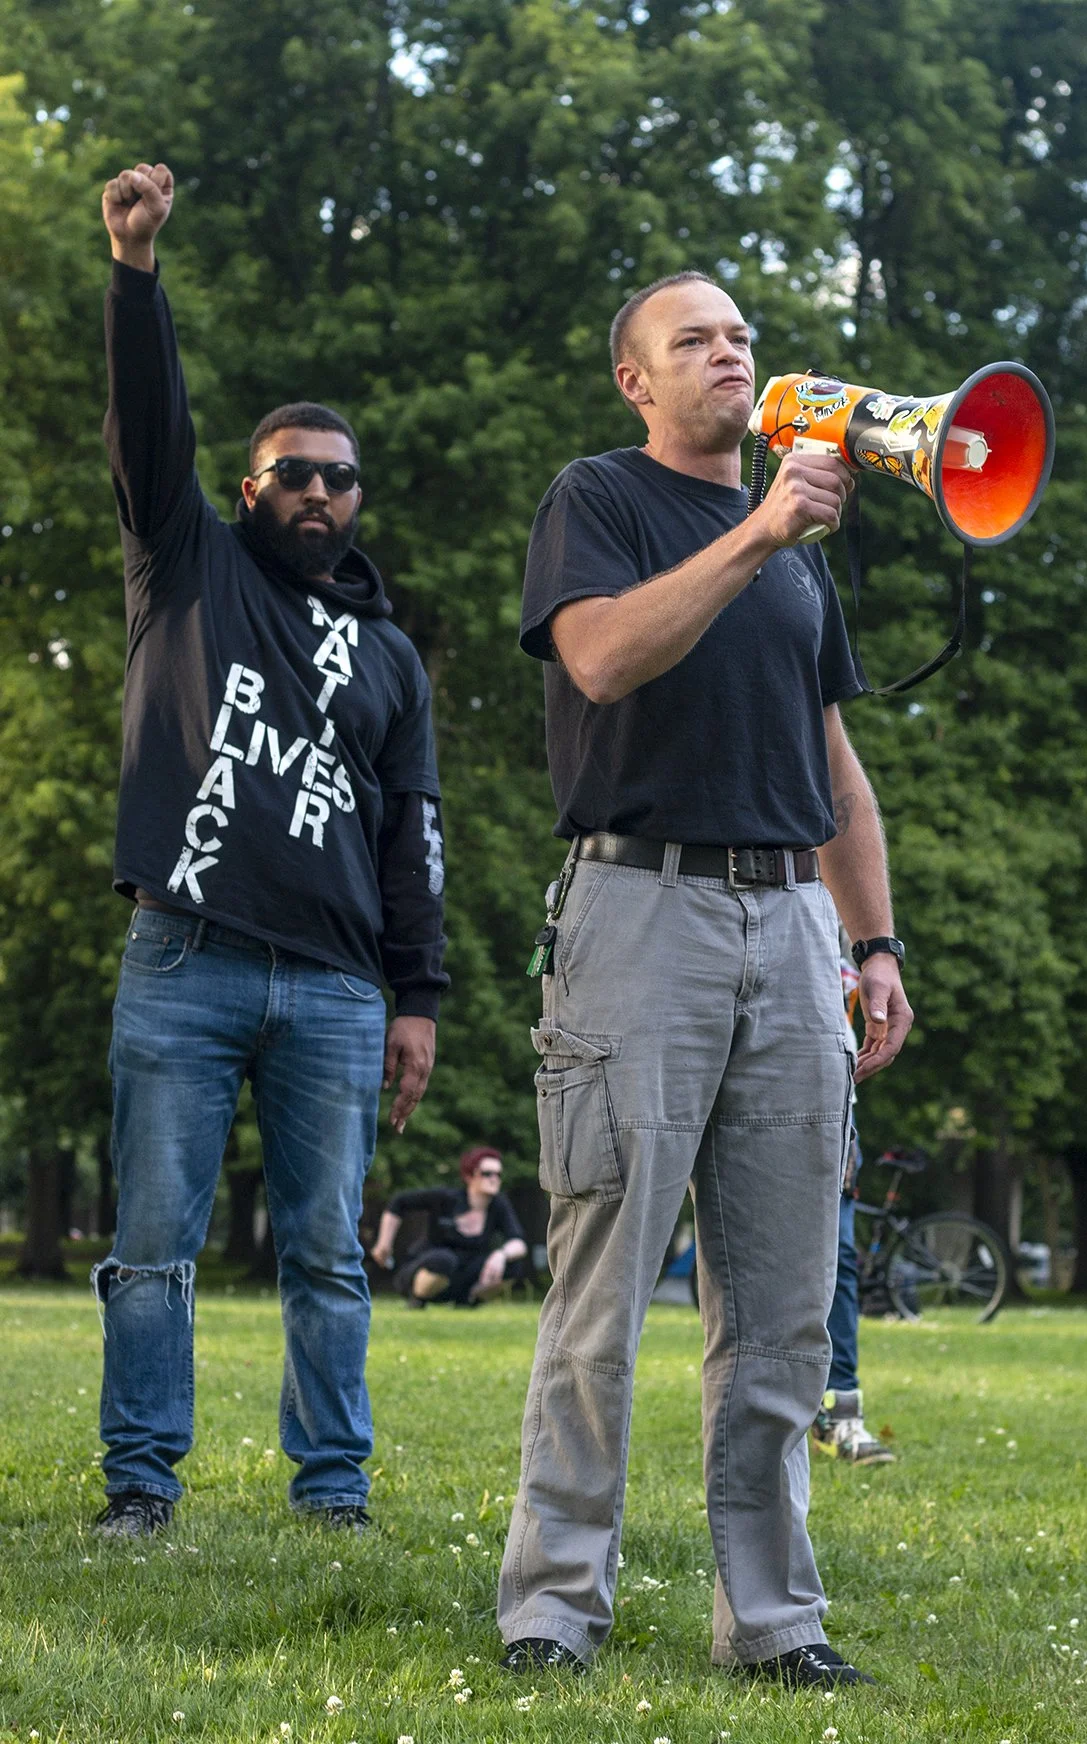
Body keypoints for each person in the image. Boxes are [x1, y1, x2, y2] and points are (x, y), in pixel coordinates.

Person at [496, 271, 913, 1688]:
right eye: (697, 341)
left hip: (792, 931)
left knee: (787, 1305)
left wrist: (874, 942)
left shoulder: (803, 543)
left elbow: (835, 764)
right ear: (639, 382)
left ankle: (774, 1625)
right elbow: (604, 658)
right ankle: (554, 1607)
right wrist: (758, 531)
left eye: (741, 335)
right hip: (638, 908)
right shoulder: (599, 500)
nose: (730, 353)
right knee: (604, 1285)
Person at [91, 163, 447, 1539]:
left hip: (340, 988)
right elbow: (146, 430)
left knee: (326, 1258)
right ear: (248, 485)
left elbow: (412, 838)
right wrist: (136, 273)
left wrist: (417, 999)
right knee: (152, 1250)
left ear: (359, 500)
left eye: (338, 478)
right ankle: (142, 1485)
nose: (316, 491)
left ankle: (334, 1490)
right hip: (185, 956)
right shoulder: (188, 561)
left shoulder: (393, 659)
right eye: (291, 472)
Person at [812, 952, 896, 1465]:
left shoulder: (855, 938)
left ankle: (841, 1414)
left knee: (839, 1263)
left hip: (833, 1114)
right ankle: (759, 1414)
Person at [371, 1147, 528, 1305]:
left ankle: (469, 1301)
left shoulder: (498, 1205)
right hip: (426, 1268)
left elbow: (518, 1242)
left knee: (513, 1263)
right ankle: (418, 1299)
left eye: (498, 1174)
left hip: (463, 1276)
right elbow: (399, 1202)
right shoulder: (446, 1199)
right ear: (469, 1176)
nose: (494, 1179)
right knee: (445, 1260)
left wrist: (501, 1254)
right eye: (487, 1174)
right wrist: (384, 1244)